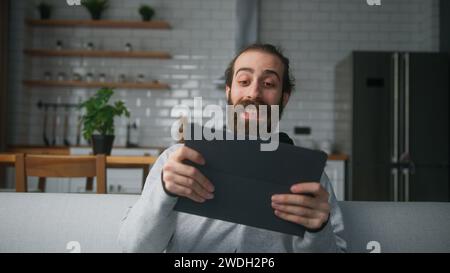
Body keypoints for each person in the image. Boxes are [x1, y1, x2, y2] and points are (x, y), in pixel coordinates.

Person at [118, 44, 347, 252]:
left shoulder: (309, 178)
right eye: (244, 81)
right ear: (229, 90)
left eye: (268, 84)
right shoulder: (176, 161)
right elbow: (131, 249)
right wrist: (164, 192)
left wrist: (319, 229)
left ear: (283, 98)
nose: (254, 93)